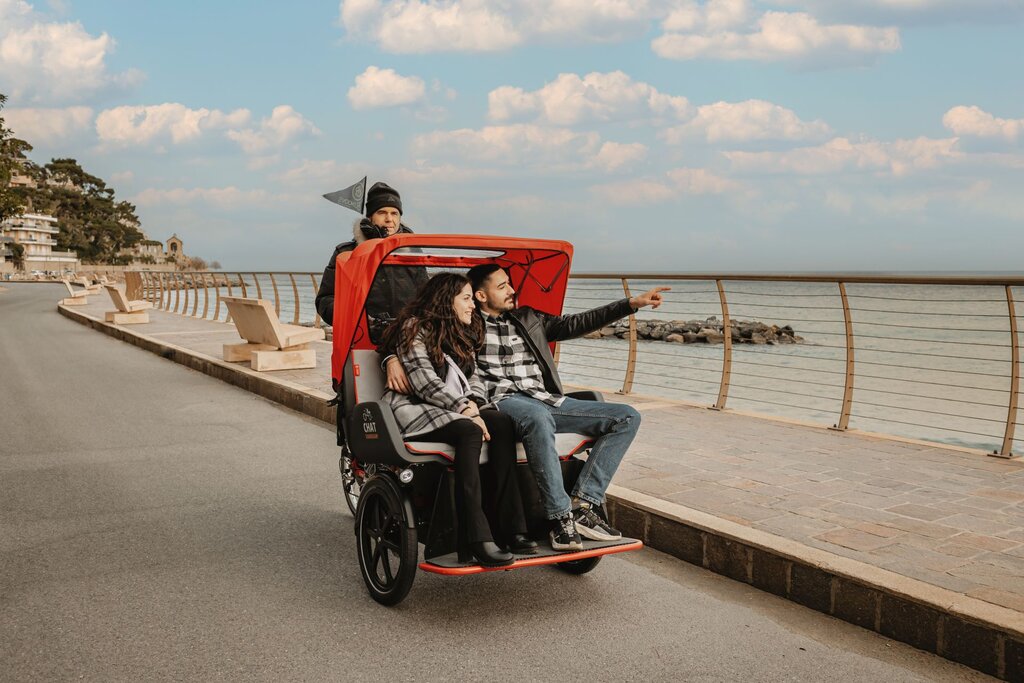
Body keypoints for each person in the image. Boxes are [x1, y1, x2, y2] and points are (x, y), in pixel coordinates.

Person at [467, 263, 669, 551]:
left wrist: (631, 304)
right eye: (502, 287)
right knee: (537, 416)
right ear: (481, 295)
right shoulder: (463, 324)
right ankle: (560, 520)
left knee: (627, 417)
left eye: (510, 283)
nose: (512, 290)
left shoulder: (528, 318)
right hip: (504, 403)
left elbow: (576, 323)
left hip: (547, 400)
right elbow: (421, 336)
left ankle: (583, 505)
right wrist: (392, 359)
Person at [380, 272, 538, 567]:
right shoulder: (414, 329)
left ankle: (511, 527)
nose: (472, 306)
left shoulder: (461, 333)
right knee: (469, 432)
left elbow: (474, 378)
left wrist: (476, 404)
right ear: (445, 300)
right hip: (417, 408)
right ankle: (475, 536)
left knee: (502, 424)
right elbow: (424, 382)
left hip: (455, 408)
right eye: (466, 298)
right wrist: (468, 411)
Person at [316, 181, 428, 391]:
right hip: (362, 342)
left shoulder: (412, 253)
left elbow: (426, 297)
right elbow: (325, 299)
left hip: (408, 342)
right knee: (359, 408)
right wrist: (354, 318)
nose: (389, 219)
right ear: (370, 217)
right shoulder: (347, 253)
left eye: (395, 213)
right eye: (382, 212)